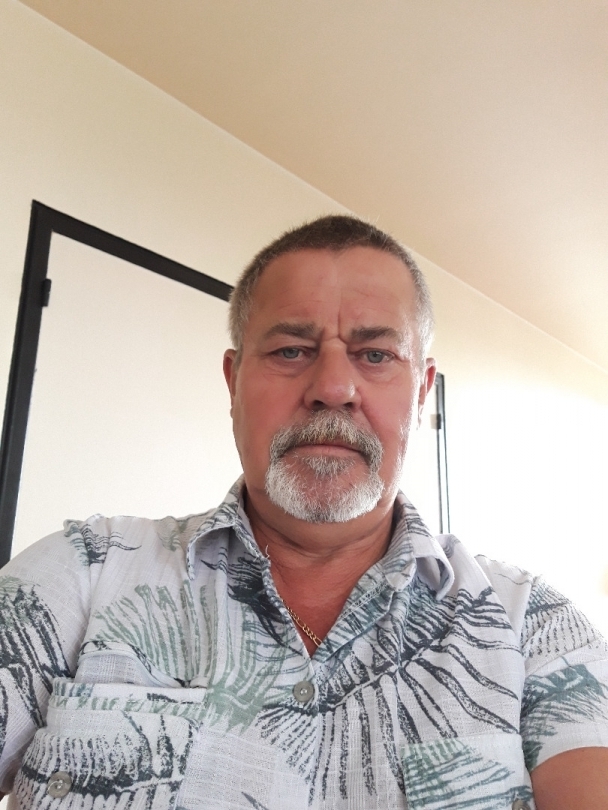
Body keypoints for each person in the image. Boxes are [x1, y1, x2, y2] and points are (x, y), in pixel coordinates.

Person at [0, 215, 607, 810]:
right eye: (291, 350)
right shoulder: (82, 572)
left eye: (375, 355)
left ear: (422, 392)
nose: (333, 387)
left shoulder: (535, 627)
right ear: (234, 382)